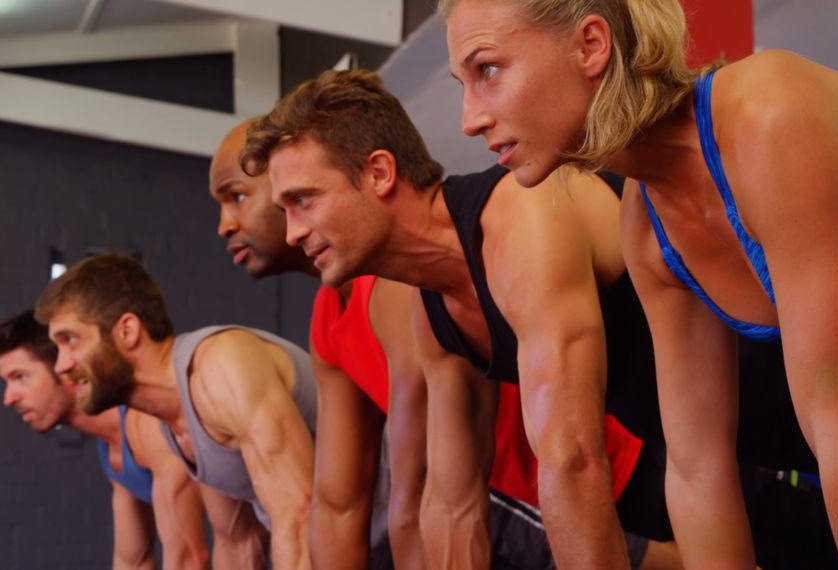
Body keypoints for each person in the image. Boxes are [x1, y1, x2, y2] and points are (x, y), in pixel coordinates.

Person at [440, 0, 838, 566]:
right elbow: (698, 472)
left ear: (590, 45)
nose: (469, 119)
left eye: (487, 70)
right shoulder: (647, 229)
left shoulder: (768, 113)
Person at [209, 119, 666, 569]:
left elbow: (419, 492)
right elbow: (341, 503)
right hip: (512, 492)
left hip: (603, 470)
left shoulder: (404, 286)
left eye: (240, 196)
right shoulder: (338, 316)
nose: (225, 225)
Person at [34, 254, 318, 570]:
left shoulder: (219, 366)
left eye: (70, 340)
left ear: (127, 331)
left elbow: (299, 514)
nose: (62, 365)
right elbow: (239, 545)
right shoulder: (177, 423)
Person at [0, 310, 211, 570]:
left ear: (66, 368)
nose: (9, 398)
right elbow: (133, 561)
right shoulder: (114, 449)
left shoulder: (149, 427)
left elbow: (189, 560)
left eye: (20, 377)